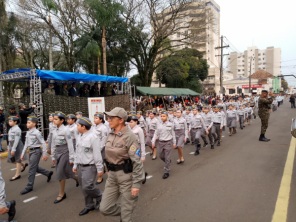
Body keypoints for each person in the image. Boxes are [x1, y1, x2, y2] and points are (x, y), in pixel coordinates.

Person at [100, 107, 144, 222]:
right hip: (112, 176)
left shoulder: (130, 137)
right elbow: (107, 154)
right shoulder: (110, 134)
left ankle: (126, 212)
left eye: (111, 118)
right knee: (104, 208)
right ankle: (126, 210)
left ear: (120, 120)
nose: (108, 120)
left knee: (125, 218)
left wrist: (136, 184)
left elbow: (137, 162)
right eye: (108, 118)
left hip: (127, 177)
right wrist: (107, 169)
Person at [73, 117, 103, 216]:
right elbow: (77, 152)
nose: (76, 127)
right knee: (83, 187)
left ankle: (100, 195)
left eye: (78, 125)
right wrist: (75, 164)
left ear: (83, 126)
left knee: (87, 186)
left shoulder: (93, 137)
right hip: (81, 166)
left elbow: (97, 154)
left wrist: (100, 168)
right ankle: (89, 205)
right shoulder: (80, 136)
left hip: (90, 166)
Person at [20, 116, 53, 195]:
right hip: (30, 151)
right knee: (34, 167)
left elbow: (43, 143)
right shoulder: (28, 132)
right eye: (27, 122)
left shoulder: (37, 132)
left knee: (31, 169)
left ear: (34, 124)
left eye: (29, 122)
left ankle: (29, 186)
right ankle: (48, 173)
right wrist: (22, 153)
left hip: (36, 151)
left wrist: (45, 154)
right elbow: (26, 144)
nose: (27, 124)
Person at [51, 112, 78, 204]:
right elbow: (53, 144)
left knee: (60, 173)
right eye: (53, 119)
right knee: (67, 171)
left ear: (62, 120)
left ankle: (61, 193)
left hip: (65, 152)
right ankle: (77, 178)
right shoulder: (54, 130)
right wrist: (53, 156)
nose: (54, 121)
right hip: (58, 152)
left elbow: (70, 145)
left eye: (56, 119)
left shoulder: (66, 130)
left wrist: (72, 158)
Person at [151, 111, 176, 179]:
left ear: (167, 117)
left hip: (168, 142)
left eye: (164, 116)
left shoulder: (171, 124)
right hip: (161, 142)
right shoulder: (158, 124)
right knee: (161, 156)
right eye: (161, 116)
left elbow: (173, 134)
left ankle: (166, 171)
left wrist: (174, 143)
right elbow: (156, 133)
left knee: (167, 157)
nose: (162, 117)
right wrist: (153, 141)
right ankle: (167, 162)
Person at [7, 116, 28, 181]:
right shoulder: (11, 129)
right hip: (11, 144)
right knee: (12, 159)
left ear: (15, 122)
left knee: (18, 160)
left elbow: (16, 140)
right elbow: (9, 139)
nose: (9, 122)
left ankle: (17, 175)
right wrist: (9, 146)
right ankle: (23, 165)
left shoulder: (17, 129)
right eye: (9, 121)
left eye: (11, 121)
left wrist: (13, 149)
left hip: (17, 145)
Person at [92, 113, 108, 184]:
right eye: (94, 118)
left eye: (96, 118)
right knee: (97, 161)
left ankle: (100, 178)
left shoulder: (103, 128)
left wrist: (100, 148)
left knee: (100, 161)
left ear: (101, 120)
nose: (94, 120)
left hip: (101, 147)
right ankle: (103, 170)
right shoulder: (93, 127)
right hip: (94, 147)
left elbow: (104, 139)